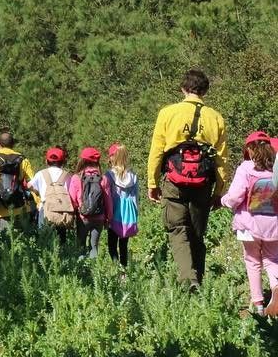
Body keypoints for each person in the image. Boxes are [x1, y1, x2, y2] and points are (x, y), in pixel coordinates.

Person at [147, 69, 228, 289]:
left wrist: (152, 183)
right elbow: (221, 160)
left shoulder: (167, 113)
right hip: (203, 183)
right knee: (197, 231)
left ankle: (188, 279)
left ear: (183, 88)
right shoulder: (216, 117)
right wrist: (219, 192)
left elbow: (156, 151)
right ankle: (198, 279)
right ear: (205, 91)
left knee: (178, 229)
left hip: (174, 181)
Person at [221, 131, 278, 315]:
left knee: (252, 261)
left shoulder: (245, 168)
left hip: (249, 225)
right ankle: (276, 289)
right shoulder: (275, 168)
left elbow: (236, 196)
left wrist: (224, 201)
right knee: (272, 259)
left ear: (250, 149)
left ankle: (258, 304)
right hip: (274, 225)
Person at [0, 131, 36, 231]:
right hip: (20, 207)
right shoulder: (22, 159)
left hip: (0, 209)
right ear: (13, 144)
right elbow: (32, 180)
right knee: (22, 240)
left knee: (4, 242)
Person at [68, 147, 112, 259]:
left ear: (82, 161)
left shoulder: (76, 178)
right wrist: (108, 218)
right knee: (94, 246)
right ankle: (95, 273)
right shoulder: (103, 178)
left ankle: (83, 273)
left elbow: (72, 200)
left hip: (83, 218)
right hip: (99, 218)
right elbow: (108, 201)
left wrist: (75, 214)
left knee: (81, 245)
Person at [105, 143, 139, 267]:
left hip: (114, 214)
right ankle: (124, 270)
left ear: (113, 157)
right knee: (123, 245)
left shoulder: (109, 175)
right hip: (128, 216)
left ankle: (116, 270)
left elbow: (107, 195)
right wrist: (135, 216)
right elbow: (136, 197)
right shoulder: (133, 175)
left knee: (112, 246)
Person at [31, 147, 74, 242]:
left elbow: (29, 185)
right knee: (61, 241)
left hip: (45, 210)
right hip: (63, 213)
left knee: (44, 240)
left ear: (47, 161)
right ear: (63, 161)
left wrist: (37, 192)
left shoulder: (41, 174)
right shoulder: (67, 175)